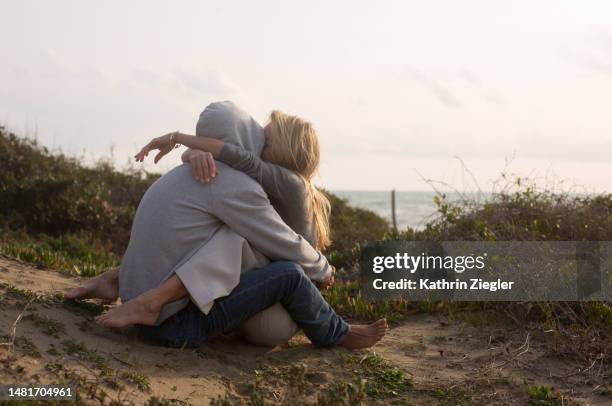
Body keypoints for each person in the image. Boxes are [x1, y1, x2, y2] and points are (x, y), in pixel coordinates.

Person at [66, 101, 388, 349]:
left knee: (235, 240)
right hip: (179, 326)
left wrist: (187, 147)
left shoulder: (273, 184)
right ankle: (338, 333)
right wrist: (326, 269)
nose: (260, 143)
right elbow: (284, 246)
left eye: (267, 139)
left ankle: (120, 281)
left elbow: (279, 236)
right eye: (258, 137)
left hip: (175, 305)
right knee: (274, 265)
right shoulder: (235, 186)